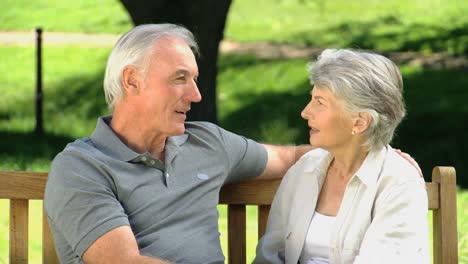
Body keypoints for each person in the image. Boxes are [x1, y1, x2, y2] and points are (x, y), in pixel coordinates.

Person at [44, 23, 312, 264]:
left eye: (194, 79)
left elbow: (291, 157)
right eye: (180, 78)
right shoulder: (80, 167)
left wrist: (352, 147)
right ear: (132, 80)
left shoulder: (209, 143)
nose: (195, 95)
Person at [254, 49, 429, 264]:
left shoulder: (399, 183)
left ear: (359, 122)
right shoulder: (305, 169)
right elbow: (270, 257)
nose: (306, 112)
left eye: (320, 102)